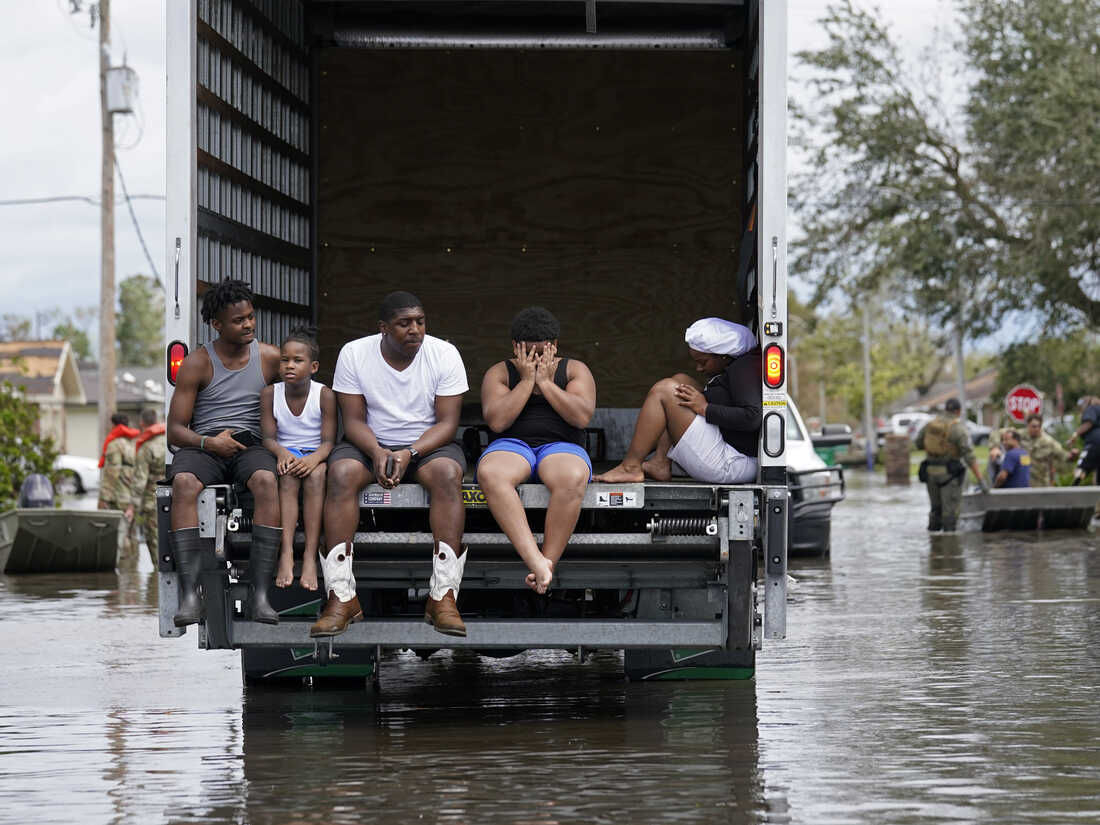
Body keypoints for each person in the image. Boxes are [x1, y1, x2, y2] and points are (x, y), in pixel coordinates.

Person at [315, 291, 469, 638]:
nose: (415, 329)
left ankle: (443, 596)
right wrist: (377, 451)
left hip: (428, 446)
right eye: (404, 324)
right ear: (383, 328)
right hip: (369, 443)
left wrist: (409, 453)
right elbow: (352, 421)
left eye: (420, 321)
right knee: (339, 473)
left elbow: (447, 424)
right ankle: (341, 597)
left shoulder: (444, 354)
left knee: (448, 474)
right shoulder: (354, 353)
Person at [166, 279, 282, 626]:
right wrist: (209, 443)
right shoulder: (197, 363)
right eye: (237, 320)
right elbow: (174, 431)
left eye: (250, 317)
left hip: (250, 447)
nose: (247, 324)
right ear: (216, 324)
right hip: (206, 447)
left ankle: (260, 596)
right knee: (183, 482)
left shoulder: (272, 358)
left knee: (266, 480)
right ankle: (190, 596)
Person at [477, 307, 597, 593]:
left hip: (561, 446)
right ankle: (536, 560)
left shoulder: (574, 369)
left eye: (542, 352)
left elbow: (581, 417)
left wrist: (545, 382)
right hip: (512, 445)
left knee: (571, 477)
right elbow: (497, 420)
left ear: (555, 345)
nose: (536, 359)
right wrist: (528, 380)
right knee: (491, 473)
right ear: (514, 348)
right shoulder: (500, 372)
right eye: (528, 353)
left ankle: (548, 562)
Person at [595, 317, 760, 485]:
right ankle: (660, 462)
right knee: (680, 381)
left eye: (703, 362)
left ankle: (630, 468)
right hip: (731, 452)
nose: (699, 369)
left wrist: (705, 409)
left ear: (724, 356)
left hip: (732, 463)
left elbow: (752, 416)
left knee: (664, 390)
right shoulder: (737, 365)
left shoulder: (743, 369)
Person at [260, 326, 337, 592]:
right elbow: (268, 438)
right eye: (284, 360)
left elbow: (328, 442)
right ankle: (287, 553)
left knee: (316, 478)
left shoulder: (324, 394)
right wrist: (282, 453)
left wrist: (314, 459)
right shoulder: (270, 393)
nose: (289, 365)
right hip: (286, 454)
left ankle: (309, 558)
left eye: (297, 360)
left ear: (313, 366)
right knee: (287, 479)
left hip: (315, 456)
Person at [915, 398, 989, 532]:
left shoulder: (930, 425)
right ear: (958, 411)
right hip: (950, 475)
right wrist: (980, 480)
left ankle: (934, 543)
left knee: (935, 509)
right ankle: (949, 546)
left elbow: (918, 443)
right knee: (950, 512)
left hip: (930, 472)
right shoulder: (958, 428)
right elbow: (969, 456)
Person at [125, 408, 167, 566]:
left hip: (153, 501)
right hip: (177, 498)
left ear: (142, 423)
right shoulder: (171, 442)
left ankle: (158, 583)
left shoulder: (146, 448)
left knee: (155, 542)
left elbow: (139, 481)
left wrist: (132, 506)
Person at [98, 411, 139, 561]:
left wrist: (104, 498)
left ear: (114, 425)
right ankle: (135, 574)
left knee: (119, 534)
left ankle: (123, 572)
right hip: (133, 497)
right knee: (132, 533)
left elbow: (112, 473)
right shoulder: (133, 444)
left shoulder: (115, 445)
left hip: (118, 496)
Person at [1020, 413, 1067, 487]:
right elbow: (998, 434)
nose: (1037, 429)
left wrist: (1072, 455)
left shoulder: (1048, 441)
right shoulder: (1019, 436)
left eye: (1039, 426)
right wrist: (995, 448)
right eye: (1034, 426)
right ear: (1028, 425)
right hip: (1024, 484)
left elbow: (1063, 455)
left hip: (1042, 484)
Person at [1066, 395, 1100, 485]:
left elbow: (1088, 423)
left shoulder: (1091, 408)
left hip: (1094, 444)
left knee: (1082, 467)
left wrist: (1074, 435)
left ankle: (1074, 488)